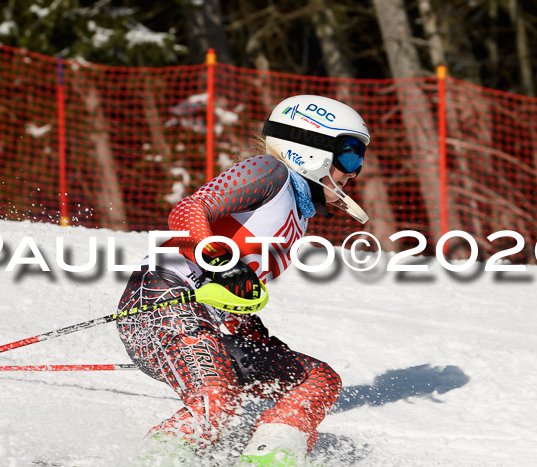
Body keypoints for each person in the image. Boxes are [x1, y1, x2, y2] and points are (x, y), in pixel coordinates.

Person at [116, 95, 370, 465]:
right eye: (350, 154)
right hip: (161, 302)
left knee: (318, 379)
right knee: (217, 399)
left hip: (211, 326)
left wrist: (250, 326)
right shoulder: (269, 172)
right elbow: (190, 208)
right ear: (311, 148)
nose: (355, 170)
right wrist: (221, 263)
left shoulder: (298, 214)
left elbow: (234, 289)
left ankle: (270, 456)